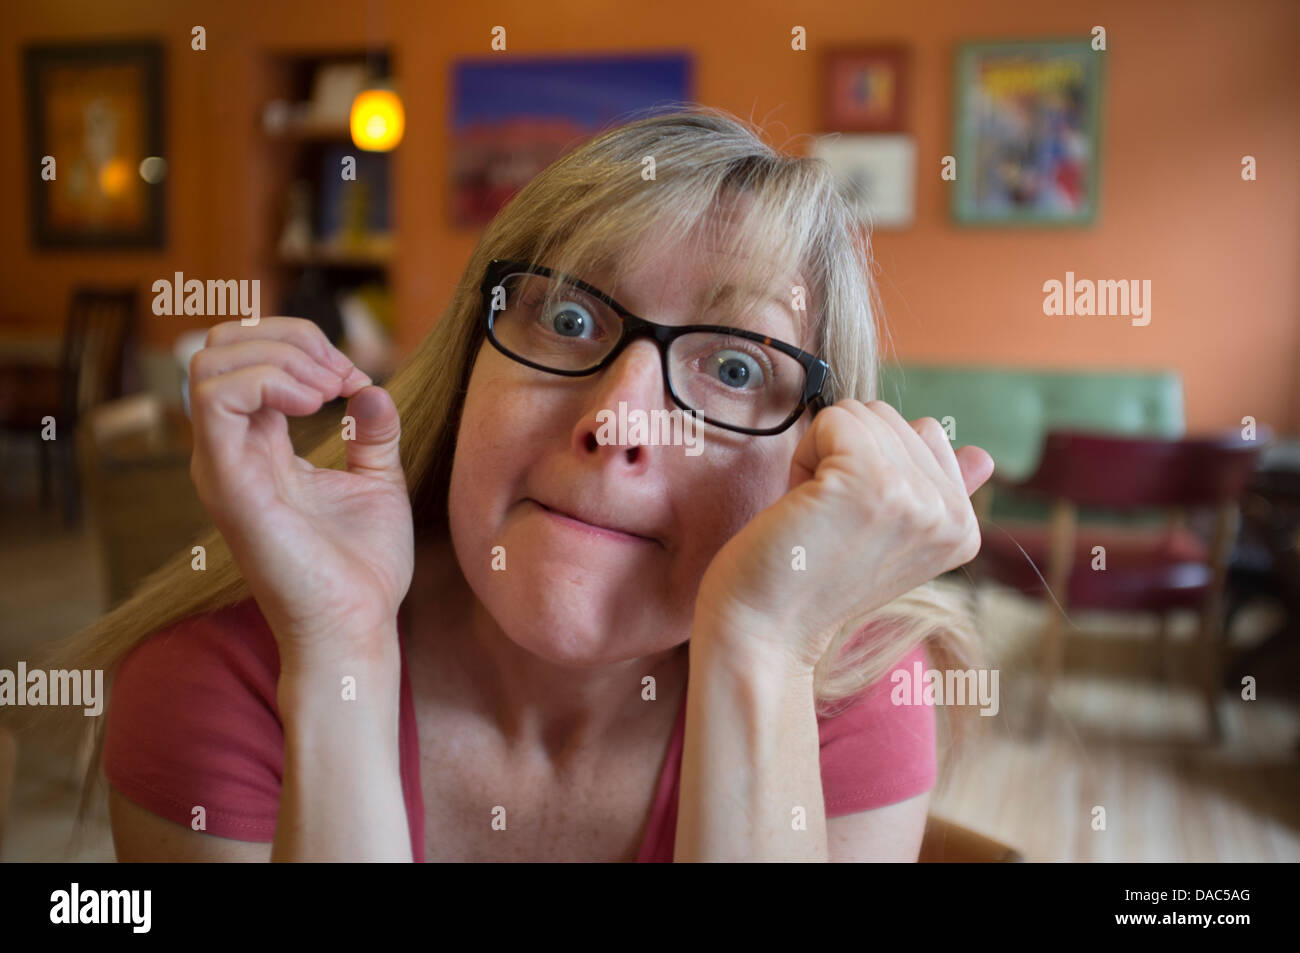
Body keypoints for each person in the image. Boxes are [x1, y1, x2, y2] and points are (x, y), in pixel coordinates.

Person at [31, 106, 993, 862]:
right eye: (568, 318)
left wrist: (765, 655)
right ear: (465, 360)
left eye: (735, 369)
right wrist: (338, 655)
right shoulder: (226, 674)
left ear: (815, 456)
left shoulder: (851, 690)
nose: (616, 420)